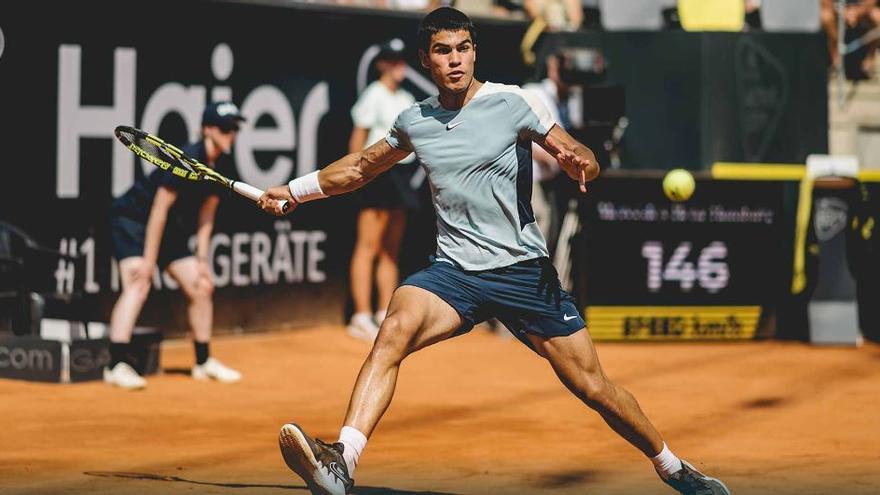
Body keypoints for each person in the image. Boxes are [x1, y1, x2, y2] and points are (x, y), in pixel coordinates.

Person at [259, 8, 730, 495]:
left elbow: (572, 149)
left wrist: (579, 160)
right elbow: (359, 168)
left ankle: (673, 467)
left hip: (523, 272)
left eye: (464, 48)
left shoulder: (513, 103)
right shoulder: (415, 120)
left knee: (594, 387)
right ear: (426, 59)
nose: (456, 60)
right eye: (443, 51)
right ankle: (342, 463)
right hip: (455, 272)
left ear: (474, 51)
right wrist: (294, 190)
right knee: (394, 329)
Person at [103, 102, 244, 390]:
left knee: (202, 285)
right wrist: (148, 261)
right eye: (226, 128)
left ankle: (203, 362)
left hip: (168, 229)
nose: (232, 134)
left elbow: (206, 216)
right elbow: (159, 208)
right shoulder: (187, 159)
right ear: (207, 129)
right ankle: (115, 364)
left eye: (235, 128)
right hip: (134, 220)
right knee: (138, 283)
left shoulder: (223, 163)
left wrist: (202, 261)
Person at [346, 39, 418, 342]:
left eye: (403, 59)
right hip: (376, 176)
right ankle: (360, 316)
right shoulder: (373, 95)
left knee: (390, 249)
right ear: (382, 65)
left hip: (400, 177)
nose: (400, 65)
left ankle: (381, 313)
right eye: (393, 60)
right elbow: (356, 142)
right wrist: (356, 177)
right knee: (368, 245)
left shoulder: (407, 97)